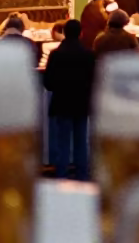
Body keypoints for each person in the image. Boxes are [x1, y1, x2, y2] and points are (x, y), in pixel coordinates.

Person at [43, 19, 95, 180]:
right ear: (81, 33)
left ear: (64, 33)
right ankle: (83, 178)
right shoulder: (88, 55)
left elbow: (48, 83)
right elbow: (95, 79)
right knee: (81, 143)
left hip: (62, 103)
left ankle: (61, 178)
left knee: (63, 144)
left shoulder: (56, 54)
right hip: (82, 103)